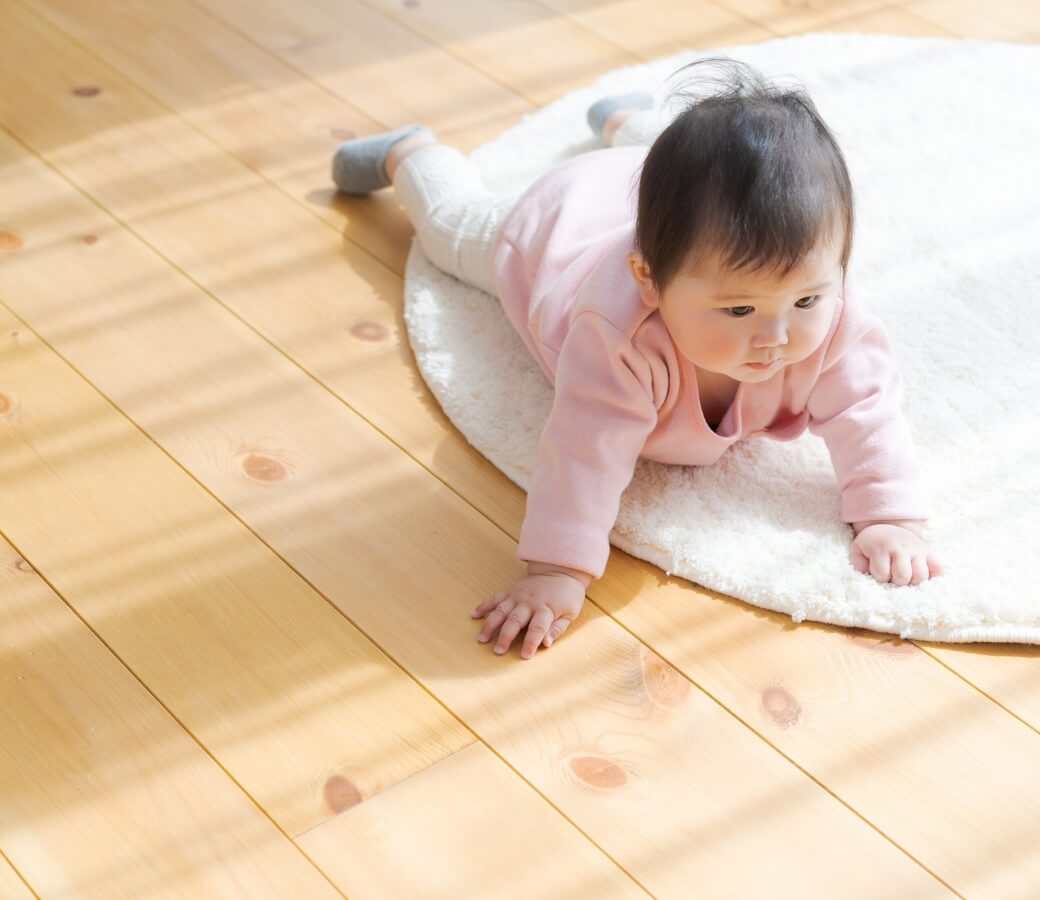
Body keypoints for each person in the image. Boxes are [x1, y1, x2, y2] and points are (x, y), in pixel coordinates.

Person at [331, 57, 944, 662]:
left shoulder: (830, 319)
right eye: (738, 312)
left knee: (702, 181)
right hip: (562, 224)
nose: (776, 337)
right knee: (447, 232)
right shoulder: (618, 339)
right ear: (647, 282)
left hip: (671, 207)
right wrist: (557, 571)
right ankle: (411, 152)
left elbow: (869, 407)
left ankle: (628, 121)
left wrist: (887, 514)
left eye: (807, 298)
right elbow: (583, 450)